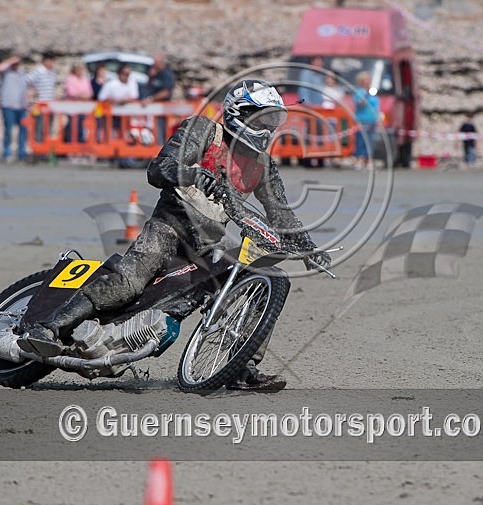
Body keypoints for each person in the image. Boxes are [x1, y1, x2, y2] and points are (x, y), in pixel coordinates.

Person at [21, 79, 330, 390]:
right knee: (126, 285)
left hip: (209, 241)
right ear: (240, 112)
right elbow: (158, 169)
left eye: (272, 121)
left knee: (265, 279)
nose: (267, 128)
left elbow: (281, 213)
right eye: (261, 119)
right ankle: (47, 328)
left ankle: (242, 365)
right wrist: (193, 173)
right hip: (168, 225)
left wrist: (310, 248)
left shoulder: (264, 165)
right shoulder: (205, 131)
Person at [0, 54, 28, 162]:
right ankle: (7, 152)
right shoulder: (6, 71)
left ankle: (21, 152)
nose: (16, 65)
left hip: (21, 106)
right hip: (8, 105)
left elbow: (24, 86)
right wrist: (10, 61)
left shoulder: (22, 71)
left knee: (23, 130)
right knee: (8, 129)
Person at [26, 52, 57, 141]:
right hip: (40, 104)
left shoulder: (53, 72)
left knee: (48, 127)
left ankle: (46, 147)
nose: (52, 63)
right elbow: (26, 80)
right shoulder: (38, 71)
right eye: (50, 60)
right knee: (40, 126)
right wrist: (33, 89)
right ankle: (38, 147)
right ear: (45, 61)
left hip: (50, 104)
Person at [352, 71, 379, 170]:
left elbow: (376, 105)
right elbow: (360, 104)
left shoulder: (372, 92)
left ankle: (368, 161)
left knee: (370, 142)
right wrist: (366, 96)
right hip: (362, 120)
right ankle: (358, 160)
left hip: (372, 121)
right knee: (361, 141)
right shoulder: (359, 92)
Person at [63, 63, 93, 143]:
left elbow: (89, 92)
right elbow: (72, 93)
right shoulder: (70, 79)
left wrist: (81, 95)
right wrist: (82, 95)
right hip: (72, 108)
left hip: (82, 108)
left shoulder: (85, 79)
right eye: (78, 69)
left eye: (81, 69)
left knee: (81, 127)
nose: (80, 71)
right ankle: (69, 144)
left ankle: (80, 144)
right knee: (72, 127)